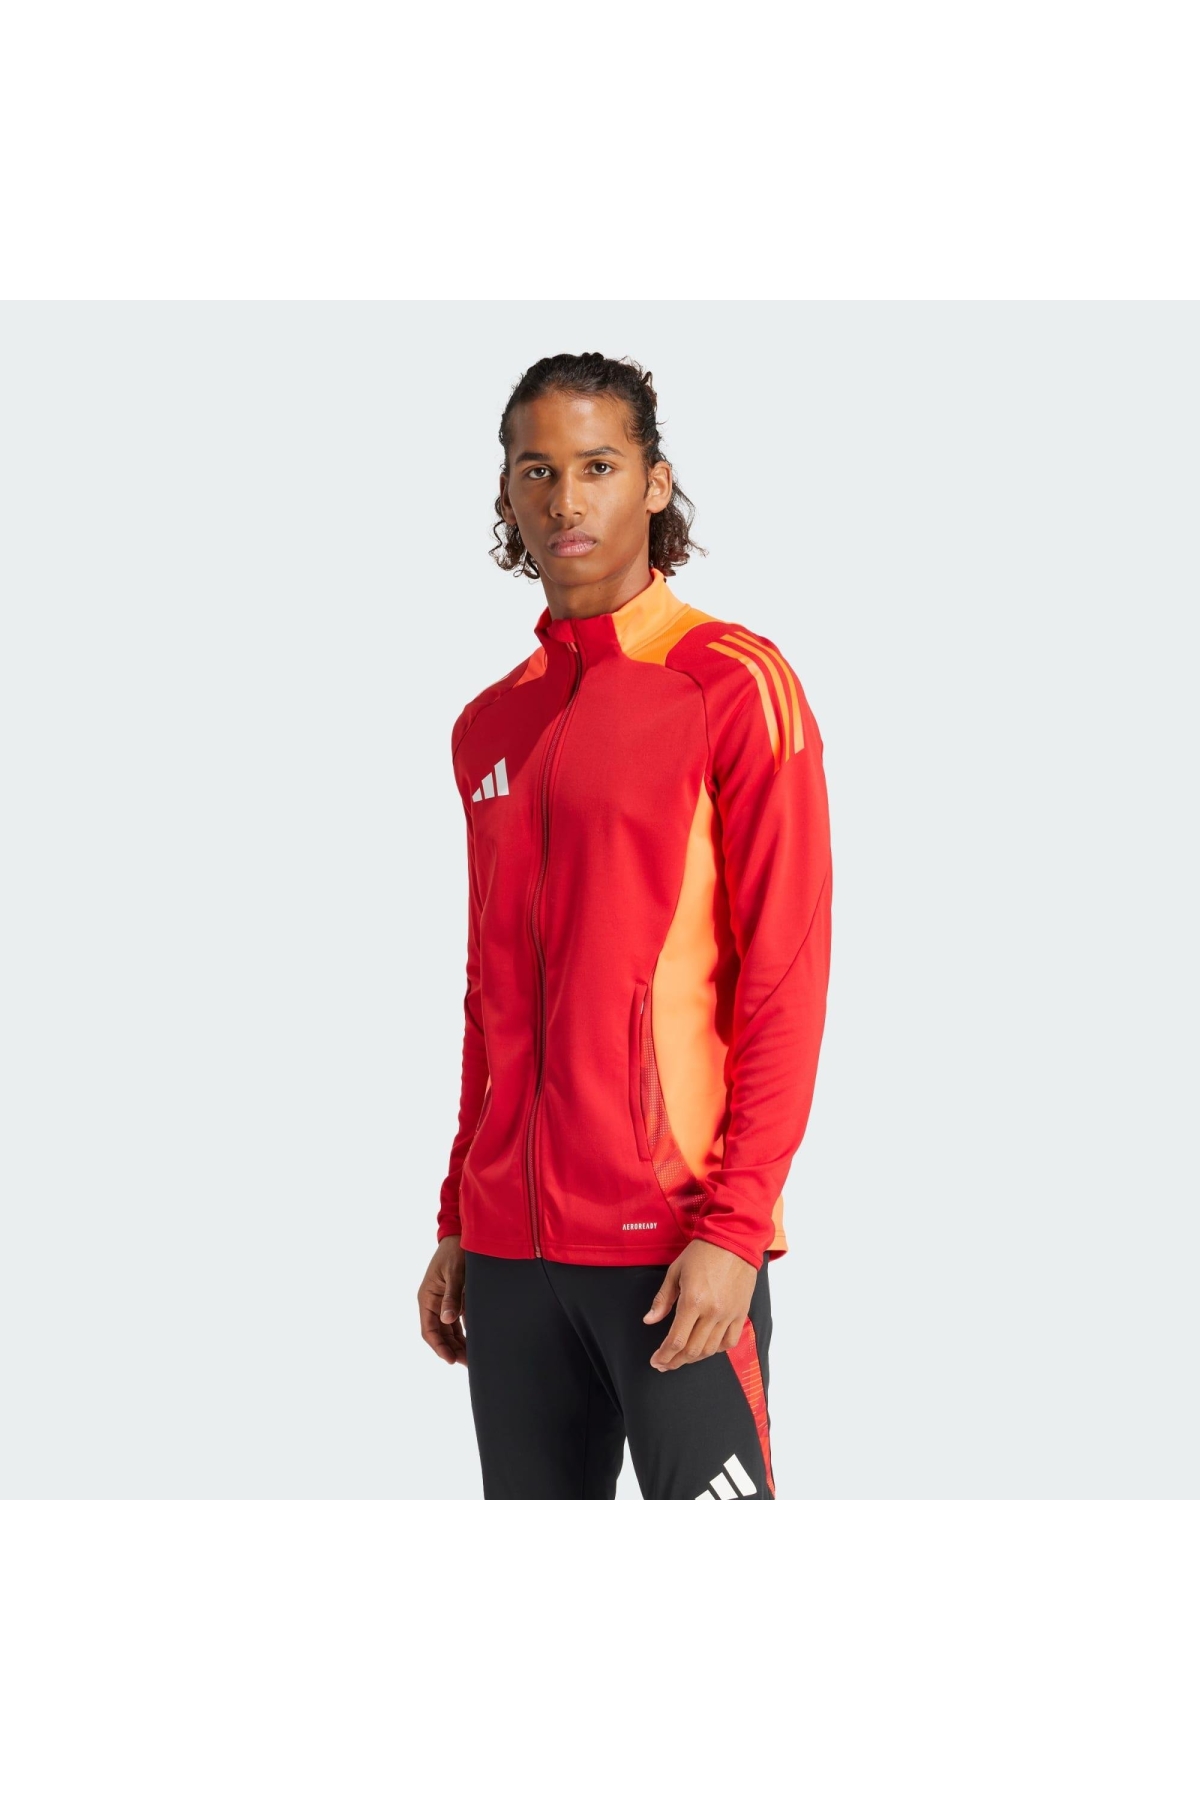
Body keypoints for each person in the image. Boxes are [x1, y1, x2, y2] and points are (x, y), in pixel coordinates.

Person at [417, 351, 833, 1500]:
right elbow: (491, 994)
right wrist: (459, 1213)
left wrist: (734, 1230)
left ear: (654, 482)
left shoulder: (731, 682)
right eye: (537, 470)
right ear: (507, 492)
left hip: (674, 1245)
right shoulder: (489, 724)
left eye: (598, 466)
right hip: (509, 1259)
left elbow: (785, 978)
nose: (567, 499)